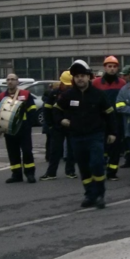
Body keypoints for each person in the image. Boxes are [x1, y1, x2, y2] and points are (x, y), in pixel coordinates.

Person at [54, 60, 116, 209]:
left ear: (88, 77)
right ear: (73, 79)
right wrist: (62, 120)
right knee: (83, 167)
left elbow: (110, 114)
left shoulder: (98, 95)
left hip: (95, 135)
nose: (80, 79)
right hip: (76, 137)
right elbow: (55, 110)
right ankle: (90, 195)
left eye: (82, 75)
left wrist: (113, 132)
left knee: (96, 164)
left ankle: (100, 194)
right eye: (77, 76)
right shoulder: (68, 95)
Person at [0, 73, 37, 183]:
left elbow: (32, 110)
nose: (10, 81)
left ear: (17, 82)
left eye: (13, 79)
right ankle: (16, 175)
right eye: (8, 79)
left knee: (27, 151)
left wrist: (28, 124)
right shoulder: (1, 96)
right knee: (13, 152)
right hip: (9, 130)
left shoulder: (26, 94)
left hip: (23, 129)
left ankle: (30, 174)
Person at [92, 56, 126, 181]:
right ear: (105, 67)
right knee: (101, 146)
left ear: (117, 68)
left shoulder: (122, 83)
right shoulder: (96, 83)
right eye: (109, 66)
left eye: (114, 66)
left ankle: (112, 172)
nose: (112, 69)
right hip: (101, 119)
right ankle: (100, 169)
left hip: (116, 119)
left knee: (116, 147)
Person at [40, 71, 77, 181]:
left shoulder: (75, 94)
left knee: (72, 150)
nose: (68, 87)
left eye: (70, 85)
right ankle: (51, 173)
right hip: (57, 127)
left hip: (71, 127)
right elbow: (47, 110)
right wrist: (50, 125)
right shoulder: (54, 94)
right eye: (67, 84)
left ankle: (70, 171)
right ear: (61, 82)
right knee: (55, 151)